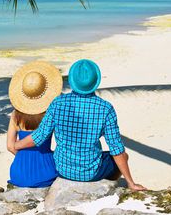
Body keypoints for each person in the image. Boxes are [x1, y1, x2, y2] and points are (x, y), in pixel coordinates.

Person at [15, 59, 146, 191]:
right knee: (123, 156)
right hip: (91, 173)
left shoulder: (57, 103)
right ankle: (110, 185)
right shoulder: (106, 109)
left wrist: (16, 145)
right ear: (95, 82)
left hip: (62, 169)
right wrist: (131, 183)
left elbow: (39, 135)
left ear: (72, 82)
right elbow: (116, 149)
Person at [7, 60, 63, 187]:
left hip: (19, 174)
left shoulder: (16, 115)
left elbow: (10, 146)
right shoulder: (50, 113)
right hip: (46, 171)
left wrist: (23, 158)